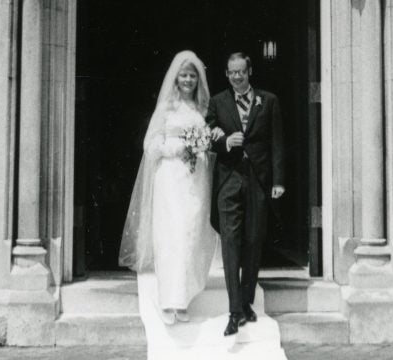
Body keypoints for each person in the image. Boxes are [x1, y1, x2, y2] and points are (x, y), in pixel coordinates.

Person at [119, 50, 218, 325]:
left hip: (195, 179)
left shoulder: (201, 109)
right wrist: (177, 147)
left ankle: (184, 298)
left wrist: (200, 147)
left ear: (198, 80)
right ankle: (169, 300)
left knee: (191, 234)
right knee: (171, 236)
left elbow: (207, 142)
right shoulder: (166, 109)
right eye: (183, 75)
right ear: (175, 79)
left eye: (192, 76)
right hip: (170, 179)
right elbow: (150, 146)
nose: (187, 80)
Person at [207, 52, 285, 336]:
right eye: (231, 73)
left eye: (241, 71)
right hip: (228, 180)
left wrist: (279, 181)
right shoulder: (218, 102)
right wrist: (226, 141)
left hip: (259, 181)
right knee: (231, 243)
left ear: (249, 71)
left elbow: (277, 142)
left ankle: (247, 300)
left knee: (254, 240)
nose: (237, 77)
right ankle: (234, 310)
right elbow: (205, 137)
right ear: (226, 75)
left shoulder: (269, 100)